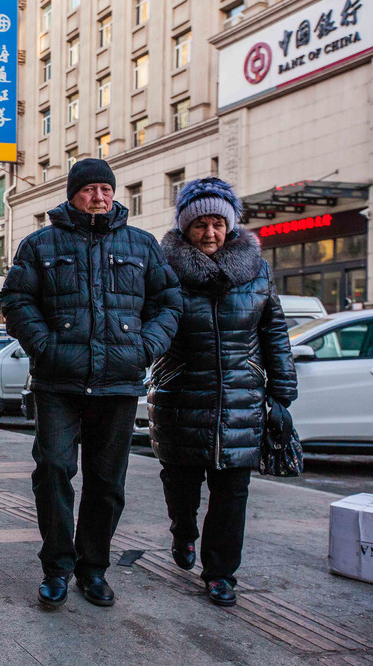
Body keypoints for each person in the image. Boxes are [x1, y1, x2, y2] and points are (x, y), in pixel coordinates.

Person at [0, 158, 182, 610]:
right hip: (57, 381)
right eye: (90, 189)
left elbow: (168, 302)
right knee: (54, 470)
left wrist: (145, 347)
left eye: (106, 188)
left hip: (118, 382)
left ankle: (93, 568)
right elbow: (16, 300)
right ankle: (57, 568)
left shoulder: (141, 245)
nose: (99, 197)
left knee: (106, 481)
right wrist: (44, 345)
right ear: (72, 193)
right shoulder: (40, 244)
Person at [148, 177, 297, 608]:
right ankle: (183, 531)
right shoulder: (164, 271)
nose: (210, 233)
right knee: (180, 483)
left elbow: (275, 333)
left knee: (232, 492)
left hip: (241, 397)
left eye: (218, 223)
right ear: (185, 228)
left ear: (230, 226)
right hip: (181, 397)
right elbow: (149, 326)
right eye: (200, 225)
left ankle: (220, 573)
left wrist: (282, 396)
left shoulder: (256, 271)